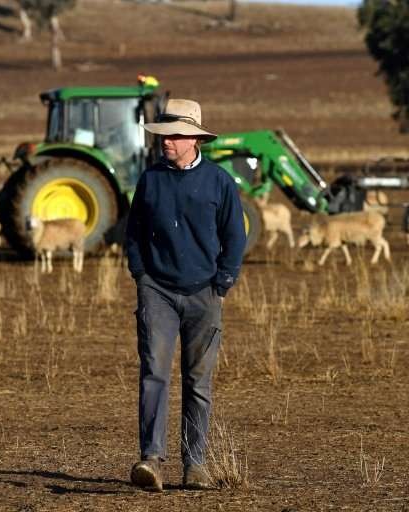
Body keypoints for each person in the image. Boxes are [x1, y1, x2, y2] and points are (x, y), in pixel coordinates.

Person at [125, 99, 247, 492]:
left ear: (195, 139)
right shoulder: (150, 179)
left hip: (204, 293)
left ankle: (195, 465)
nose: (167, 142)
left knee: (198, 381)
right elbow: (133, 232)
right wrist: (141, 275)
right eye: (164, 135)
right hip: (156, 291)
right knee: (154, 374)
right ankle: (151, 460)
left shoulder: (219, 181)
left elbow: (235, 235)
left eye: (176, 135)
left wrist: (222, 283)